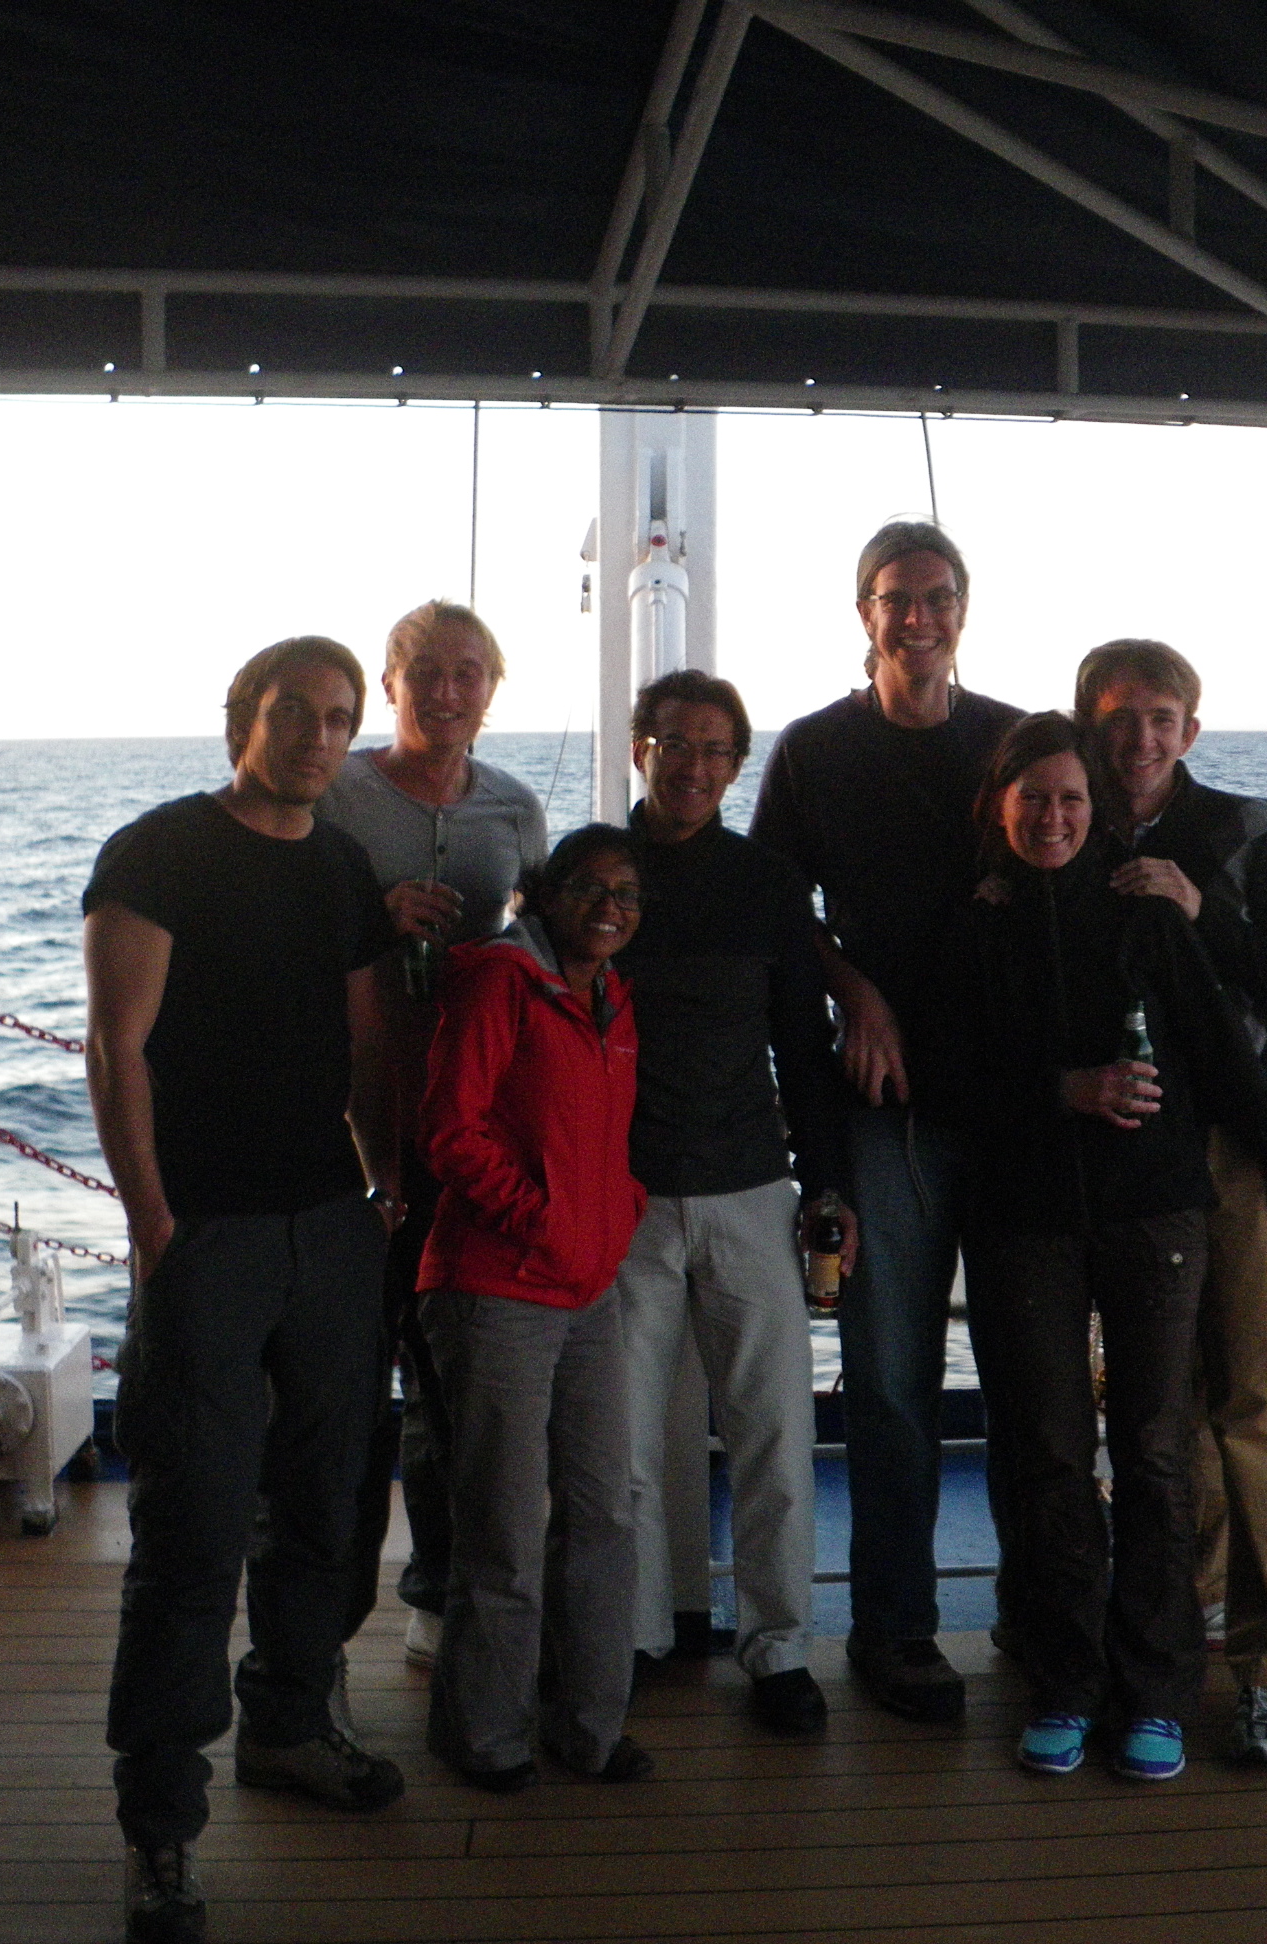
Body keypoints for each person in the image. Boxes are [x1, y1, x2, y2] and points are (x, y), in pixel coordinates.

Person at [85, 636, 407, 1944]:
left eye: (340, 717)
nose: (320, 737)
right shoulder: (159, 851)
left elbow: (372, 1041)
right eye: (296, 713)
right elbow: (118, 1046)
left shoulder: (340, 866)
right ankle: (161, 1825)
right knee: (193, 1532)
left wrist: (385, 1187)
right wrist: (153, 1222)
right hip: (207, 1238)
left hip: (329, 1230)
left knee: (327, 1504)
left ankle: (288, 1723)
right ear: (243, 719)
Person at [951, 713, 1267, 1785]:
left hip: (1156, 1215)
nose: (1053, 817)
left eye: (1072, 799)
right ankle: (1068, 1682)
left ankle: (1156, 1690)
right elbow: (949, 1075)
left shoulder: (1145, 916)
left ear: (1096, 810)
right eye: (1034, 799)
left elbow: (1218, 1050)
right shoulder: (976, 926)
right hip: (1026, 1220)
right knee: (1052, 1454)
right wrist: (1065, 1090)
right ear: (1000, 808)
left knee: (1158, 1452)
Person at [749, 520, 1022, 1722]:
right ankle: (895, 1631)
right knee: (894, 1384)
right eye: (896, 598)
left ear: (965, 607)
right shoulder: (815, 751)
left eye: (939, 596)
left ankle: (1040, 1616)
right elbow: (772, 906)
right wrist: (852, 990)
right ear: (863, 612)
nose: (920, 618)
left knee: (1029, 1380)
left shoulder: (1011, 738)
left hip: (1010, 1107)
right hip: (882, 1111)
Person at [1076, 638, 1267, 1766]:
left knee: (1259, 1408)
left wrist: (1201, 911)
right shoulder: (1063, 823)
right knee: (1158, 1418)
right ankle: (1169, 1644)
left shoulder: (1248, 831)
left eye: (1161, 718)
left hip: (1235, 1153)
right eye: (1119, 717)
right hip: (1121, 1155)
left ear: (1192, 727)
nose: (1140, 739)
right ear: (1088, 723)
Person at [613, 670, 854, 1736]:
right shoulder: (596, 875)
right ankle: (629, 1636)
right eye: (676, 744)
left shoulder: (764, 884)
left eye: (717, 751)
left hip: (752, 1191)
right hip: (623, 1201)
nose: (695, 767)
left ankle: (780, 1650)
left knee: (774, 1436)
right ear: (641, 748)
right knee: (619, 1443)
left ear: (736, 766)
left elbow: (803, 1043)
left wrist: (827, 1185)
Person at [317, 600, 549, 1676]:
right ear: (391, 684)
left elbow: (544, 946)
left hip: (464, 1131)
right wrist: (373, 915)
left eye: (469, 673)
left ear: (492, 688)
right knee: (356, 1382)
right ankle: (326, 1626)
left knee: (452, 1371)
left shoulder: (514, 809)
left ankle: (445, 1588)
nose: (448, 693)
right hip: (347, 1122)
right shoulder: (340, 794)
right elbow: (290, 920)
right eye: (427, 674)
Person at [418, 824, 652, 1792]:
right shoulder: (499, 983)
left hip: (588, 1290)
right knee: (505, 1530)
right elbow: (450, 1132)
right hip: (496, 1289)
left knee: (604, 1513)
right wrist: (543, 1221)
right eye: (589, 887)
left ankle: (588, 1726)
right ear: (546, 895)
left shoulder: (612, 998)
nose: (609, 906)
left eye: (627, 893)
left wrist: (616, 1214)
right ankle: (484, 1735)